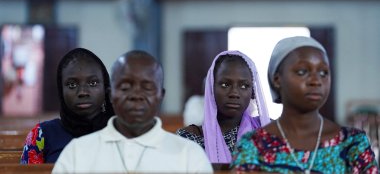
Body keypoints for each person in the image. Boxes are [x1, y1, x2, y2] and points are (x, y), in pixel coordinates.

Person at [231, 36, 379, 173]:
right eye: (302, 71)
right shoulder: (253, 145)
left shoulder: (353, 143)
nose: (316, 81)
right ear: (277, 79)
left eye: (323, 73)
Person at [52, 50, 213, 173]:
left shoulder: (189, 154)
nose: (136, 95)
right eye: (125, 87)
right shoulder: (76, 152)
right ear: (111, 95)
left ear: (160, 96)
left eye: (147, 87)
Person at [20, 48, 114, 164]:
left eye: (93, 83)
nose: (83, 92)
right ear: (61, 90)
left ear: (105, 88)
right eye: (72, 84)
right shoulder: (42, 134)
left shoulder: (121, 131)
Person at [177, 50, 271, 163]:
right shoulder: (189, 138)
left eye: (244, 86)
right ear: (211, 88)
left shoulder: (269, 131)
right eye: (225, 84)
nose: (234, 93)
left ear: (253, 92)